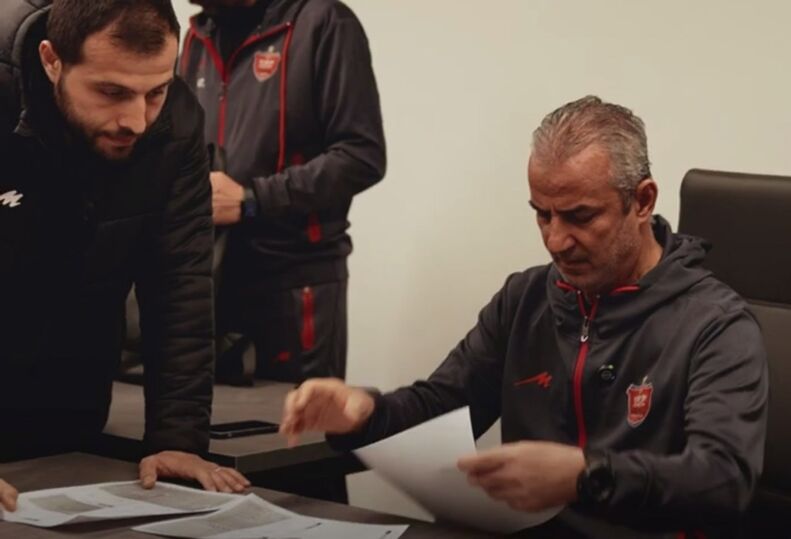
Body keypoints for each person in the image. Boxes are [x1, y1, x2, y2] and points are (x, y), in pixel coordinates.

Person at [279, 96, 769, 537]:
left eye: (580, 216)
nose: (556, 240)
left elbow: (722, 481)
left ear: (641, 201)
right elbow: (443, 403)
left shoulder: (714, 323)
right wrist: (366, 412)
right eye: (542, 214)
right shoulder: (526, 298)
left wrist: (585, 475)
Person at [0, 0, 250, 510]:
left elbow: (180, 283)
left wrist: (177, 439)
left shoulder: (176, 122)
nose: (136, 120)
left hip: (71, 401)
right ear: (52, 60)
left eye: (155, 91)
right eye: (111, 92)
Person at [179, 0, 386, 383]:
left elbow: (362, 156)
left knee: (293, 421)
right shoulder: (196, 36)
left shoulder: (325, 23)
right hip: (211, 280)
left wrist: (252, 199)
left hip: (294, 287)